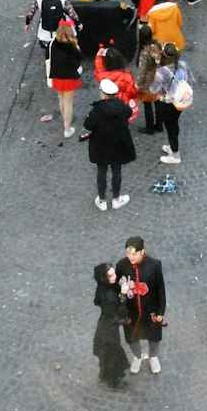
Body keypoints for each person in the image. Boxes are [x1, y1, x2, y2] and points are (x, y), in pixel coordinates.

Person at [114, 237, 167, 375]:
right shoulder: (121, 266)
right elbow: (116, 287)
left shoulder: (154, 265)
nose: (131, 257)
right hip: (130, 311)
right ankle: (137, 356)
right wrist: (122, 291)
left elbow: (160, 289)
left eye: (134, 254)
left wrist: (161, 311)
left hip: (150, 310)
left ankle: (153, 356)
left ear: (142, 251)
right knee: (131, 337)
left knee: (154, 335)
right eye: (128, 254)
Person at [83, 79, 136, 210]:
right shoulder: (123, 108)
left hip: (101, 146)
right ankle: (116, 199)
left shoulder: (97, 110)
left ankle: (102, 200)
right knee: (116, 170)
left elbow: (87, 125)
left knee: (101, 171)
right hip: (118, 145)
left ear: (104, 94)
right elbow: (129, 113)